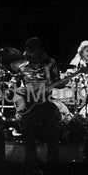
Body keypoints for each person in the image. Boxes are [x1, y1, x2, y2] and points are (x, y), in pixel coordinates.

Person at [17, 37, 62, 166]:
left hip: (45, 104)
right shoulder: (22, 68)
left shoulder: (50, 63)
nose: (34, 55)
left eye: (37, 51)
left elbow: (57, 82)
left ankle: (53, 164)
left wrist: (62, 82)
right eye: (31, 52)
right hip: (29, 107)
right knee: (28, 135)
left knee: (52, 134)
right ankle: (31, 163)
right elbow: (16, 88)